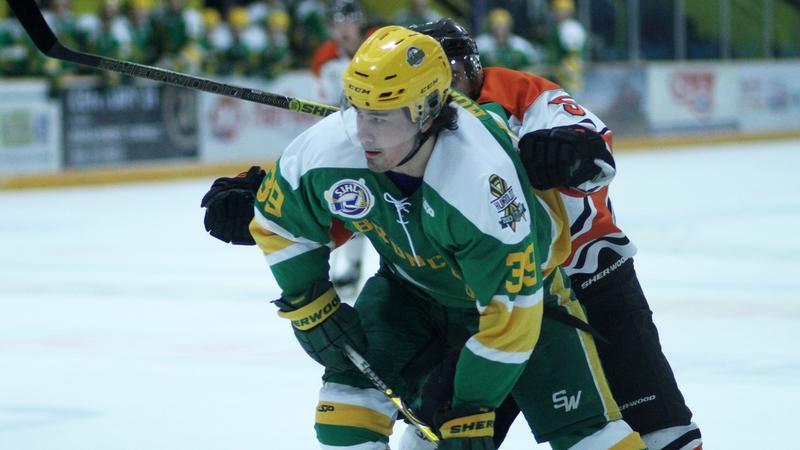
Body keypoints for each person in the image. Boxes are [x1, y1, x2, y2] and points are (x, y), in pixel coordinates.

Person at [242, 25, 646, 450]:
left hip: (529, 303)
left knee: (588, 437)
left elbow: (512, 313)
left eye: (381, 116)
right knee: (343, 414)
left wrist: (472, 406)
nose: (363, 132)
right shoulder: (329, 146)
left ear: (428, 111)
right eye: (357, 109)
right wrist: (310, 305)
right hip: (409, 293)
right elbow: (279, 221)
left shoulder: (482, 178)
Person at [394, 18, 701, 450]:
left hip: (591, 280)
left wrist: (567, 150)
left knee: (664, 435)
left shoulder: (518, 93)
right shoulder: (406, 131)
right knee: (434, 440)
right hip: (495, 302)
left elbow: (596, 154)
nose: (449, 89)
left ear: (474, 67)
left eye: (456, 73)